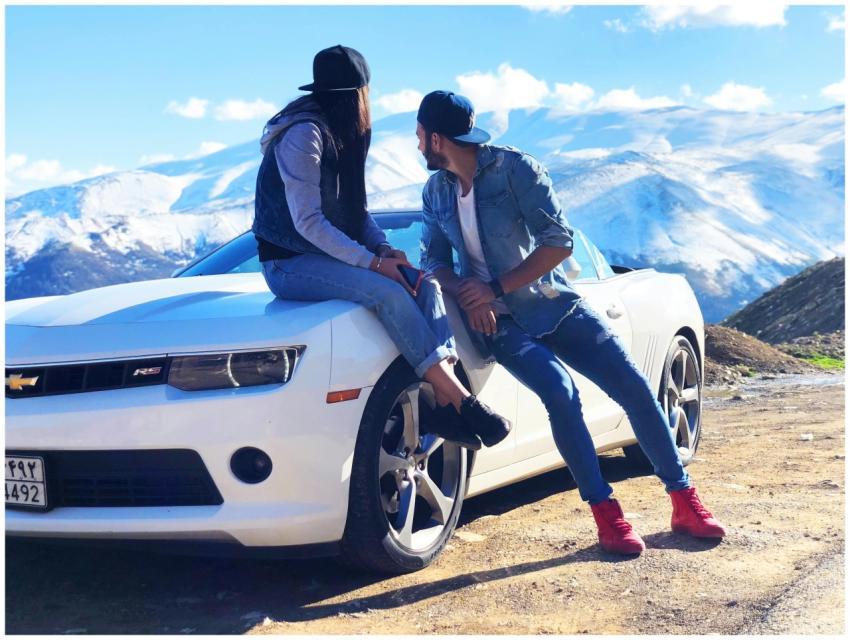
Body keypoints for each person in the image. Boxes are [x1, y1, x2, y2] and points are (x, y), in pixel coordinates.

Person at [415, 90, 726, 555]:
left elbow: (559, 242)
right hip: (497, 324)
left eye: (419, 137)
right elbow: (433, 260)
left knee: (634, 387)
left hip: (552, 304)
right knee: (562, 395)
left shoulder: (515, 169)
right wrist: (468, 293)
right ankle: (607, 516)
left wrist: (495, 287)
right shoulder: (436, 191)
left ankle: (684, 500)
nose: (417, 146)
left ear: (436, 138)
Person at [252, 46, 511, 450]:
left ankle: (444, 403)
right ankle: (461, 399)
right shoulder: (304, 134)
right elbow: (308, 222)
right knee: (389, 291)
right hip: (289, 262)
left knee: (425, 285)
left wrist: (386, 251)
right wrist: (373, 264)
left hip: (329, 257)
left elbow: (356, 213)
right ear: (358, 95)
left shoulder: (339, 133)